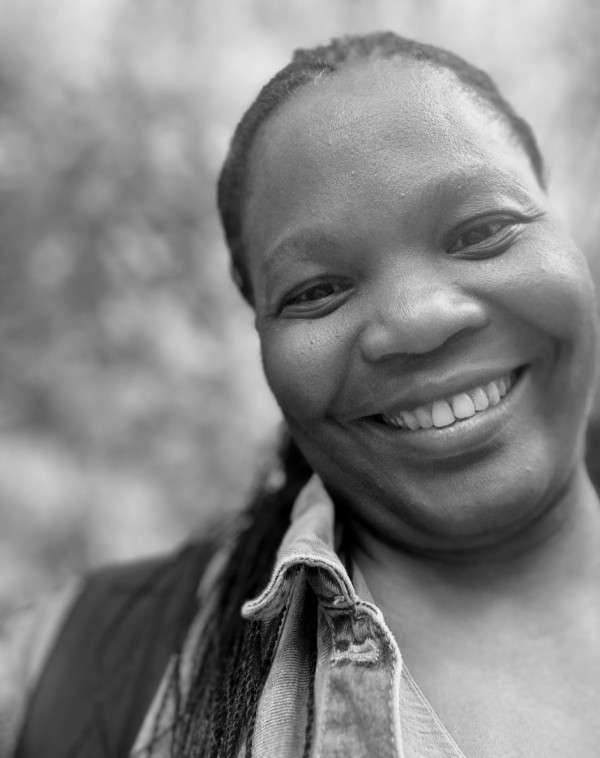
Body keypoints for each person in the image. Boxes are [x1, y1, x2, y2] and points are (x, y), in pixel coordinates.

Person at [3, 30, 600, 757]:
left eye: (482, 231)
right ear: (260, 333)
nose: (417, 321)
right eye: (317, 291)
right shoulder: (78, 666)